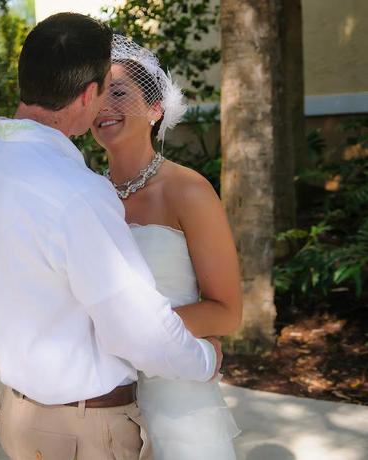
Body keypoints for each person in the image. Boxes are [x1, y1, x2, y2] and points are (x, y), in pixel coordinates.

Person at [0, 13, 221, 460]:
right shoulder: (77, 193)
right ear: (88, 93)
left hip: (18, 414)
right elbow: (138, 330)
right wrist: (204, 360)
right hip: (84, 428)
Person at [91, 35, 242, 460]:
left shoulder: (188, 190)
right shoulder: (88, 194)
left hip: (178, 404)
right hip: (105, 398)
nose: (105, 106)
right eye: (97, 93)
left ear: (156, 109)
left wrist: (134, 331)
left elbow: (227, 311)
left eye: (118, 92)